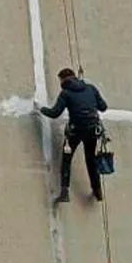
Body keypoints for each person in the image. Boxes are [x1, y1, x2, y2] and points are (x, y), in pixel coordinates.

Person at [37, 68, 108, 203]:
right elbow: (103, 107)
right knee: (91, 160)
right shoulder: (91, 88)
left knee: (67, 160)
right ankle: (97, 191)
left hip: (75, 132)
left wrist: (41, 108)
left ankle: (64, 192)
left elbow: (54, 113)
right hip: (93, 131)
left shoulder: (66, 93)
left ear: (63, 79)